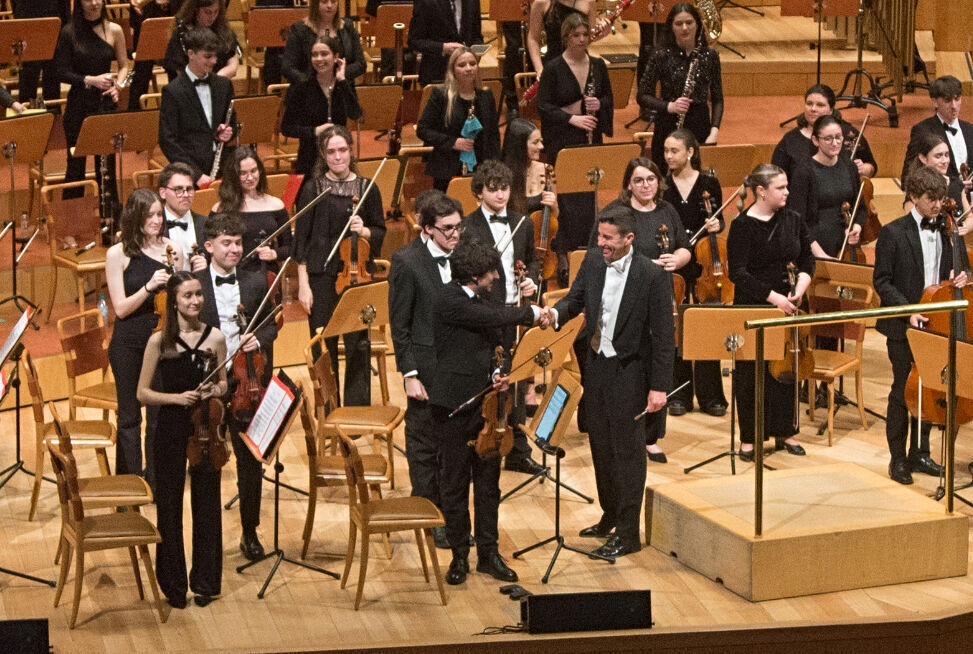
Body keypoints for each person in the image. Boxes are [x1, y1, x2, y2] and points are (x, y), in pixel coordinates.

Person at [546, 209, 674, 557]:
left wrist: (659, 387)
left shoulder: (652, 275)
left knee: (628, 453)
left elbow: (664, 337)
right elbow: (574, 300)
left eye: (607, 238)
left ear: (628, 239)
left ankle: (629, 533)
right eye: (599, 236)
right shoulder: (592, 262)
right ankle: (610, 516)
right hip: (596, 364)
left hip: (630, 370)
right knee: (600, 444)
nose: (599, 243)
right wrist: (555, 314)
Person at [429, 236, 543, 585]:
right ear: (474, 275)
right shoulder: (448, 299)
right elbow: (489, 317)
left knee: (489, 483)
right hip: (453, 406)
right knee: (455, 483)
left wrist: (499, 370)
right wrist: (534, 312)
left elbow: (498, 339)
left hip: (489, 406)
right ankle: (460, 555)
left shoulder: (486, 296)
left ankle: (488, 554)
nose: (496, 277)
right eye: (491, 272)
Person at [136, 271, 227, 609]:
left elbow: (224, 385)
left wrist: (211, 390)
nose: (195, 301)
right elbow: (142, 393)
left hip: (205, 429)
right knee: (170, 507)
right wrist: (177, 398)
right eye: (188, 295)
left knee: (207, 506)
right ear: (173, 300)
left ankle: (205, 582)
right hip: (171, 429)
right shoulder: (159, 342)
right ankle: (174, 585)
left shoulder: (215, 338)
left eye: (199, 294)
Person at [873, 166, 966, 485]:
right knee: (903, 390)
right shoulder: (893, 232)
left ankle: (921, 453)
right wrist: (909, 310)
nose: (938, 205)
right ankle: (898, 459)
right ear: (913, 197)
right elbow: (882, 282)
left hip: (935, 324)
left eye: (941, 198)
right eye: (931, 199)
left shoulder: (945, 229)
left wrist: (958, 278)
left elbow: (946, 274)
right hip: (903, 325)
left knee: (929, 390)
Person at [195, 214, 278, 561]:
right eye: (226, 243)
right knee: (206, 461)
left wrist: (257, 340)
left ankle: (250, 532)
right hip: (210, 383)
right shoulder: (194, 283)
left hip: (248, 383)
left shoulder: (256, 280)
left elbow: (273, 326)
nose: (234, 249)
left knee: (250, 461)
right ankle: (207, 539)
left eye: (238, 243)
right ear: (210, 246)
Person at [593, 158, 688, 462]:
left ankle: (651, 436)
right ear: (628, 184)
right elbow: (597, 253)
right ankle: (625, 428)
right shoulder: (618, 215)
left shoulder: (667, 211)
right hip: (628, 302)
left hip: (660, 298)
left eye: (651, 179)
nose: (646, 185)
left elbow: (684, 245)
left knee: (658, 359)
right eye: (639, 180)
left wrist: (677, 260)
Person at [388, 190, 463, 549]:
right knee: (424, 445)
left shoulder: (462, 253)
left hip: (458, 366)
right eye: (447, 229)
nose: (455, 235)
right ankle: (430, 515)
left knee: (455, 446)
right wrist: (409, 373)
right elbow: (399, 324)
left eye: (458, 227)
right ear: (427, 228)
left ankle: (454, 515)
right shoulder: (406, 261)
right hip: (427, 367)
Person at [726, 164, 814, 461]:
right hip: (754, 304)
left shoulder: (793, 219)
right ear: (761, 191)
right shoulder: (741, 226)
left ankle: (784, 431)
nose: (787, 192)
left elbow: (806, 260)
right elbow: (737, 273)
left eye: (787, 186)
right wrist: (774, 297)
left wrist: (801, 285)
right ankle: (750, 438)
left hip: (789, 303)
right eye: (781, 187)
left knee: (784, 369)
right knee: (751, 373)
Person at [463, 160, 545, 475]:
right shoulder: (468, 227)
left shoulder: (523, 223)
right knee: (483, 382)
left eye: (505, 188)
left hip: (515, 312)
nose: (500, 195)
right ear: (479, 192)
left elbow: (532, 262)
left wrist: (531, 280)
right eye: (493, 189)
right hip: (484, 313)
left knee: (515, 381)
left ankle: (516, 451)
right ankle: (477, 448)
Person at [294, 126, 385, 406]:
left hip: (357, 278)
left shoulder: (368, 187)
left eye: (342, 150)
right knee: (323, 346)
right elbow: (302, 241)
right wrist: (303, 285)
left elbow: (380, 231)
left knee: (359, 344)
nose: (337, 157)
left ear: (350, 151)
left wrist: (365, 231)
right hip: (321, 278)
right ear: (323, 154)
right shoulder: (313, 189)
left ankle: (357, 416)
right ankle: (330, 410)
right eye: (331, 151)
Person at [105, 189, 184, 476]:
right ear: (135, 217)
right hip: (128, 343)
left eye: (159, 214)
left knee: (158, 416)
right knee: (129, 417)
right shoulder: (118, 253)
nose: (155, 220)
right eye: (149, 215)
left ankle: (156, 478)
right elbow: (121, 309)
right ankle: (130, 485)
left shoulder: (173, 250)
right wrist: (149, 287)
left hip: (162, 341)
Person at [661, 130, 728, 418]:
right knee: (676, 328)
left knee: (705, 325)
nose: (668, 156)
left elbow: (720, 220)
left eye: (674, 150)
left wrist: (717, 225)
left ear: (690, 152)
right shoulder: (662, 186)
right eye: (666, 150)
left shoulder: (709, 183)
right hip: (675, 264)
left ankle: (711, 394)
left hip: (704, 265)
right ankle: (679, 393)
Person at [637, 3, 722, 175]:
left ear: (697, 24)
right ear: (671, 27)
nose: (684, 28)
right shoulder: (660, 55)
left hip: (699, 126)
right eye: (679, 24)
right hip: (668, 126)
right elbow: (643, 95)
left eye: (689, 22)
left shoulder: (710, 56)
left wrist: (714, 132)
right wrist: (670, 106)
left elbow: (718, 98)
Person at [54, 0, 128, 198]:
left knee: (107, 170)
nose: (95, 3)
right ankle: (73, 222)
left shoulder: (115, 30)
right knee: (75, 168)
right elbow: (60, 71)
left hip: (105, 104)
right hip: (78, 104)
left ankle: (109, 222)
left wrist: (118, 86)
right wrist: (89, 80)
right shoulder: (69, 32)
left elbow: (124, 65)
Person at [159, 26, 235, 187]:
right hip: (189, 173)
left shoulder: (224, 85)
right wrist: (195, 175)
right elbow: (168, 141)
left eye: (215, 56)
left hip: (222, 169)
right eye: (207, 56)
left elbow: (232, 123)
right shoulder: (173, 91)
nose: (214, 61)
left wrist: (227, 132)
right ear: (191, 54)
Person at [416, 47, 500, 192]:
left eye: (472, 64)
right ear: (452, 70)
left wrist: (494, 170)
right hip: (448, 170)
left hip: (481, 171)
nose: (468, 68)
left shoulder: (486, 96)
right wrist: (453, 142)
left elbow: (493, 137)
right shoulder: (440, 96)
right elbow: (423, 129)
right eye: (462, 65)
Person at [280, 35, 363, 176]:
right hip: (310, 160)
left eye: (324, 54)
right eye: (314, 55)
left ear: (336, 56)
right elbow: (287, 128)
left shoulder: (343, 85)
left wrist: (342, 80)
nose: (319, 59)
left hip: (340, 161)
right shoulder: (302, 87)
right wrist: (315, 131)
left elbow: (355, 113)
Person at [537, 13, 612, 167]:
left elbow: (609, 98)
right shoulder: (553, 68)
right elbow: (543, 106)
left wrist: (599, 103)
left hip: (591, 133)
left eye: (585, 34)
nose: (582, 39)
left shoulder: (598, 65)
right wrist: (572, 119)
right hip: (562, 136)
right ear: (566, 38)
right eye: (576, 35)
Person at [786, 115, 867, 259]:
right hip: (816, 246)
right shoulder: (803, 172)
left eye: (838, 137)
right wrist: (820, 255)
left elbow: (859, 208)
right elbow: (797, 220)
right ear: (815, 140)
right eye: (828, 139)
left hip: (846, 245)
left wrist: (857, 227)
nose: (835, 143)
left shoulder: (849, 167)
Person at [771, 84, 877, 180]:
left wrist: (864, 169)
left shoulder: (849, 134)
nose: (813, 109)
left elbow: (872, 167)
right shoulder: (791, 139)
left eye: (820, 105)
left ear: (831, 110)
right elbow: (775, 176)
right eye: (809, 103)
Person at [212, 147, 292, 273]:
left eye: (253, 171)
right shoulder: (220, 209)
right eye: (243, 173)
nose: (250, 178)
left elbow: (289, 246)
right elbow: (210, 246)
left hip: (266, 274)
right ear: (233, 175)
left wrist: (274, 253)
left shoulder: (276, 205)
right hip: (232, 274)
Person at [901, 76, 973, 184]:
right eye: (947, 100)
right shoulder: (922, 130)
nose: (954, 106)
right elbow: (908, 176)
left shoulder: (970, 129)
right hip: (942, 197)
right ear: (935, 102)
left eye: (957, 99)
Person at [281, 0, 365, 86]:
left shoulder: (348, 26)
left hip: (342, 88)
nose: (329, 5)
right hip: (308, 90)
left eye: (333, 1)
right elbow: (288, 68)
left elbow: (361, 64)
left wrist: (337, 76)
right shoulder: (299, 29)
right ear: (315, 4)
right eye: (324, 2)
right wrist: (310, 81)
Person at [408, 0, 483, 86]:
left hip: (467, 78)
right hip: (437, 75)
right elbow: (415, 41)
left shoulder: (473, 2)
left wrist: (477, 51)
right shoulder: (426, 2)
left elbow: (477, 36)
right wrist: (443, 47)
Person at [13, 0, 70, 109]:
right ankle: (30, 118)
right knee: (28, 80)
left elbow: (64, 5)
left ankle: (52, 117)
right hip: (27, 27)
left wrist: (66, 31)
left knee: (52, 80)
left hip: (54, 26)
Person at [164, 0, 240, 81]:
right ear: (195, 10)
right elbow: (180, 71)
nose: (212, 17)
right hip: (188, 88)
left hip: (218, 84)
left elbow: (233, 65)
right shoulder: (180, 33)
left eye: (216, 12)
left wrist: (215, 81)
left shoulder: (223, 30)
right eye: (207, 12)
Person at [127, 0, 182, 111]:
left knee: (176, 72)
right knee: (141, 74)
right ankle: (134, 119)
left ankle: (176, 116)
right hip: (146, 17)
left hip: (176, 16)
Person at [526, 0, 595, 82]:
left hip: (581, 65)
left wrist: (603, 33)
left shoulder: (589, 2)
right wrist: (539, 69)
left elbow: (590, 37)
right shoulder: (541, 2)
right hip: (553, 63)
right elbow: (533, 39)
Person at [500, 117, 557, 216]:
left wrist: (553, 206)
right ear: (520, 146)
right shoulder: (500, 175)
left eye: (540, 141)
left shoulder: (548, 169)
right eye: (535, 142)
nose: (541, 146)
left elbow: (555, 215)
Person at [903, 134, 972, 215]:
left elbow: (970, 218)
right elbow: (912, 221)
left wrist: (964, 227)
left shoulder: (956, 183)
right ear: (923, 158)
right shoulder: (917, 186)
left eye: (947, 155)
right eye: (938, 156)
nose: (945, 161)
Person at [158, 162, 208, 264]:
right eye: (178, 189)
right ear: (163, 193)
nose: (186, 195)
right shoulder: (154, 226)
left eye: (189, 189)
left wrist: (205, 267)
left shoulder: (206, 224)